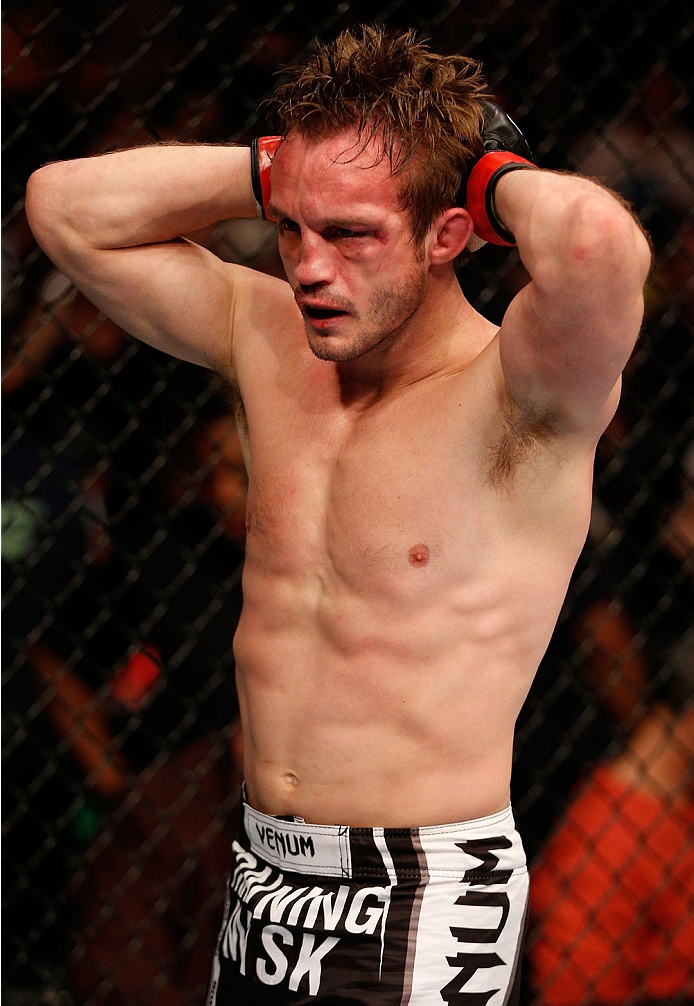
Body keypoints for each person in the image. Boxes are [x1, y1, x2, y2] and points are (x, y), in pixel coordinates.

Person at [24, 23, 651, 1006]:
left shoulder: (521, 396)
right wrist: (277, 170)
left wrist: (486, 176)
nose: (309, 268)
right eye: (291, 229)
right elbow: (63, 209)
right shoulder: (264, 336)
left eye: (351, 233)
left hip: (415, 884)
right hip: (261, 873)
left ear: (448, 233)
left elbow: (593, 241)